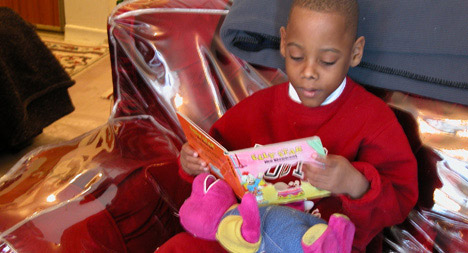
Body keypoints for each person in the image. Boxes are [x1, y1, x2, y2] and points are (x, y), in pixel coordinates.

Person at [168, 0, 418, 252]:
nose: (309, 72)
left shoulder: (373, 120)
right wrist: (193, 162)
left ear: (355, 53)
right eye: (297, 56)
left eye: (328, 61)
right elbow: (214, 160)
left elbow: (400, 202)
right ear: (284, 43)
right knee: (178, 247)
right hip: (249, 236)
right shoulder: (255, 110)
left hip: (325, 244)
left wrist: (354, 183)